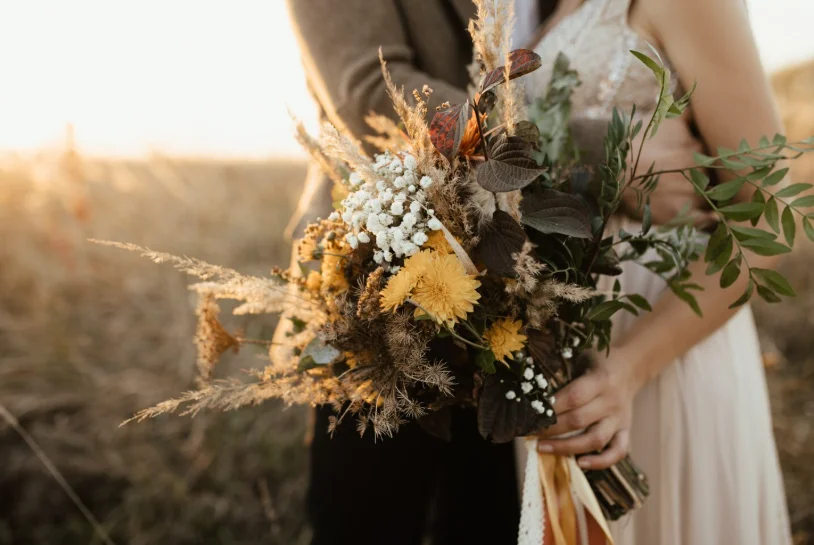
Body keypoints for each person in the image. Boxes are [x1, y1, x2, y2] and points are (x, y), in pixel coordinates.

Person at [284, 1, 715, 542]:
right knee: (369, 513)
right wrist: (595, 152)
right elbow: (372, 93)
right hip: (387, 286)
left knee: (492, 519)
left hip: (526, 292)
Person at [518, 0, 793, 544]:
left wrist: (629, 369)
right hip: (569, 361)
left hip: (666, 343)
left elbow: (770, 214)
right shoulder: (543, 9)